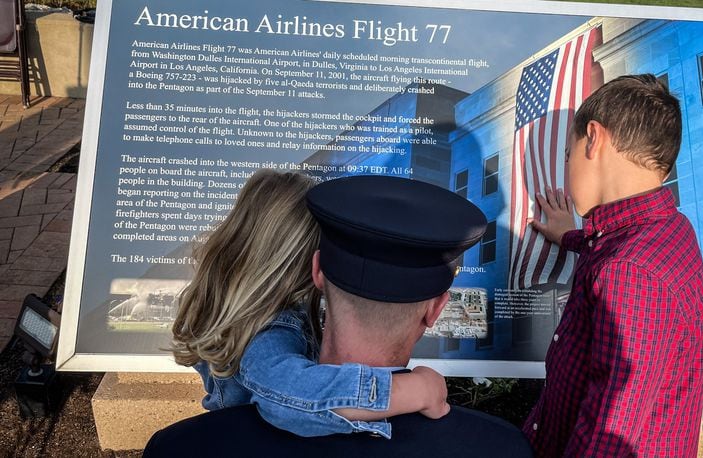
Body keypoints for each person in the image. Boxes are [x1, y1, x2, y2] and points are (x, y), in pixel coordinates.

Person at [145, 175, 533, 457]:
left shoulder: (178, 446)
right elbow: (290, 398)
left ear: (318, 272)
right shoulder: (501, 445)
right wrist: (411, 390)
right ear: (435, 309)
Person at [168, 169, 450, 439]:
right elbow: (292, 398)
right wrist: (413, 390)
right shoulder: (270, 331)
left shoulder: (243, 320)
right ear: (310, 263)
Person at [522, 74, 703, 456]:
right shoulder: (665, 226)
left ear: (593, 139)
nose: (565, 164)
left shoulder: (632, 274)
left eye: (567, 153)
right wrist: (569, 236)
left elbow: (609, 433)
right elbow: (612, 250)